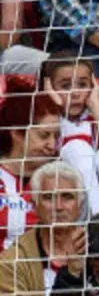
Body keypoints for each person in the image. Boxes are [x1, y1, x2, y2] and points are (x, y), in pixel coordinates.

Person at [0, 161, 86, 296]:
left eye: (67, 197)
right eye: (49, 197)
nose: (58, 206)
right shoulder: (12, 262)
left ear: (80, 205)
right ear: (34, 205)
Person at [38, 51, 99, 215]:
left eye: (82, 85)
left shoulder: (95, 112)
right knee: (77, 148)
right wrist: (53, 101)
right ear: (49, 86)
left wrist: (95, 104)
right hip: (62, 190)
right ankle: (98, 219)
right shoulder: (43, 114)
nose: (75, 94)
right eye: (65, 86)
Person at [0, 94, 61, 249]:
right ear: (16, 133)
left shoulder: (60, 180)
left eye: (56, 136)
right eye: (44, 135)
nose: (52, 145)